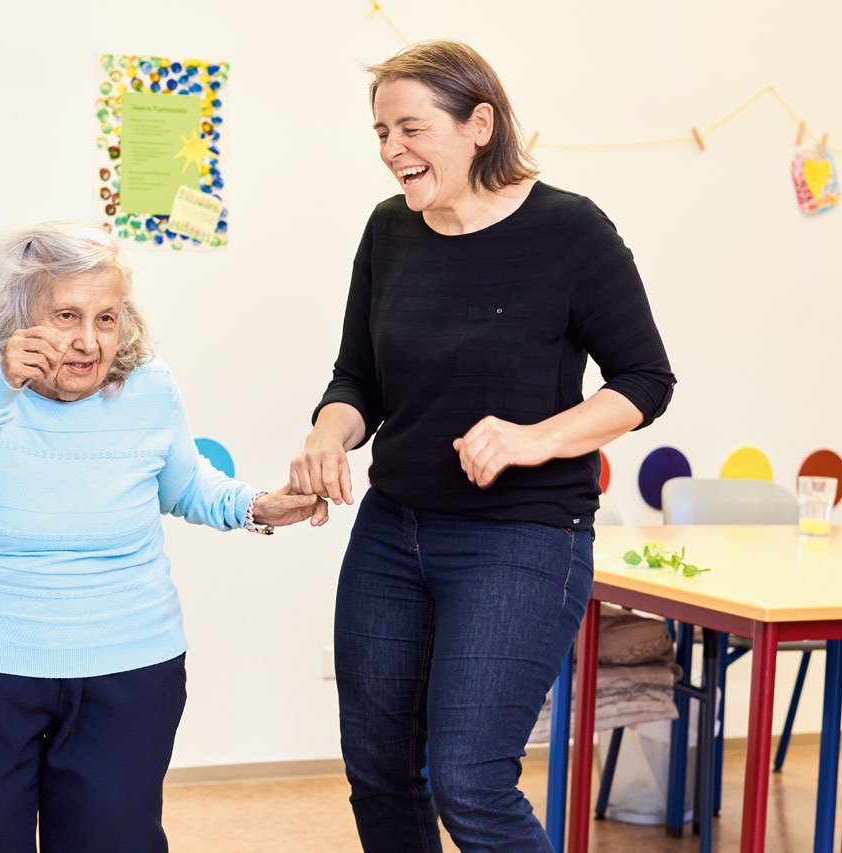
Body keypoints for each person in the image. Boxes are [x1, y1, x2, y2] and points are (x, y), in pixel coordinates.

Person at [289, 41, 676, 852]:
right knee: (380, 772)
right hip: (393, 534)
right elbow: (357, 377)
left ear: (478, 124)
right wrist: (329, 431)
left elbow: (644, 378)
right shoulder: (389, 229)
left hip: (522, 538)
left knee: (469, 781)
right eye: (380, 132)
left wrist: (536, 438)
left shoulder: (569, 230)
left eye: (409, 128)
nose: (391, 149)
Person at [0, 220, 325, 853]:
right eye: (66, 315)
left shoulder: (149, 384)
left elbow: (184, 484)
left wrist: (255, 506)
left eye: (106, 317)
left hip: (128, 665)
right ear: (17, 315)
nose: (89, 341)